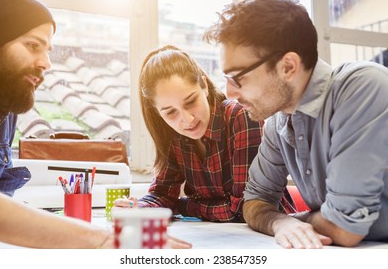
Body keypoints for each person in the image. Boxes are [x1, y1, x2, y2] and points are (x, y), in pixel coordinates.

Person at [0, 0, 190, 249]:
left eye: (48, 50)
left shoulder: (7, 108)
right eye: (32, 45)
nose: (47, 63)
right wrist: (108, 241)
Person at [204, 0, 388, 248]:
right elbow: (255, 202)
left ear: (288, 66)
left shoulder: (362, 88)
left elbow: (345, 230)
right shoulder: (278, 122)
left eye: (237, 78)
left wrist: (296, 218)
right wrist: (281, 223)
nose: (230, 93)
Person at [115, 45, 298, 222]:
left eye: (191, 101)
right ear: (157, 112)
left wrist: (185, 206)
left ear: (203, 85)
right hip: (221, 238)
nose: (187, 119)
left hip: (272, 234)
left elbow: (242, 208)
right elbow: (162, 195)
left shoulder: (240, 116)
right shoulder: (174, 136)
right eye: (170, 112)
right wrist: (139, 208)